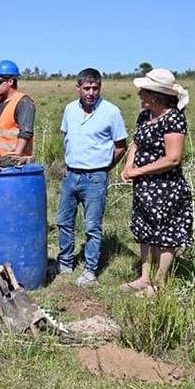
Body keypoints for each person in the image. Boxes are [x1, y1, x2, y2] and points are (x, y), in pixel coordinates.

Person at [120, 68, 193, 297]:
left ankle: (159, 283)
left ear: (155, 95)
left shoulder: (174, 119)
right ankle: (144, 277)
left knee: (166, 234)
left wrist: (138, 170)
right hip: (144, 186)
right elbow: (136, 143)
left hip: (166, 187)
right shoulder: (145, 116)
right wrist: (128, 167)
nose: (139, 94)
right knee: (145, 229)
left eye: (143, 91)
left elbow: (173, 158)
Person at [56, 68, 128, 287]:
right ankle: (65, 263)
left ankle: (90, 270)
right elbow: (67, 138)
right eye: (86, 88)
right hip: (71, 175)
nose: (91, 93)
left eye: (95, 88)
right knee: (64, 221)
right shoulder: (70, 109)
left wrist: (105, 167)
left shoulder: (111, 112)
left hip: (95, 177)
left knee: (92, 227)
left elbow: (121, 146)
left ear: (100, 88)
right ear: (78, 88)